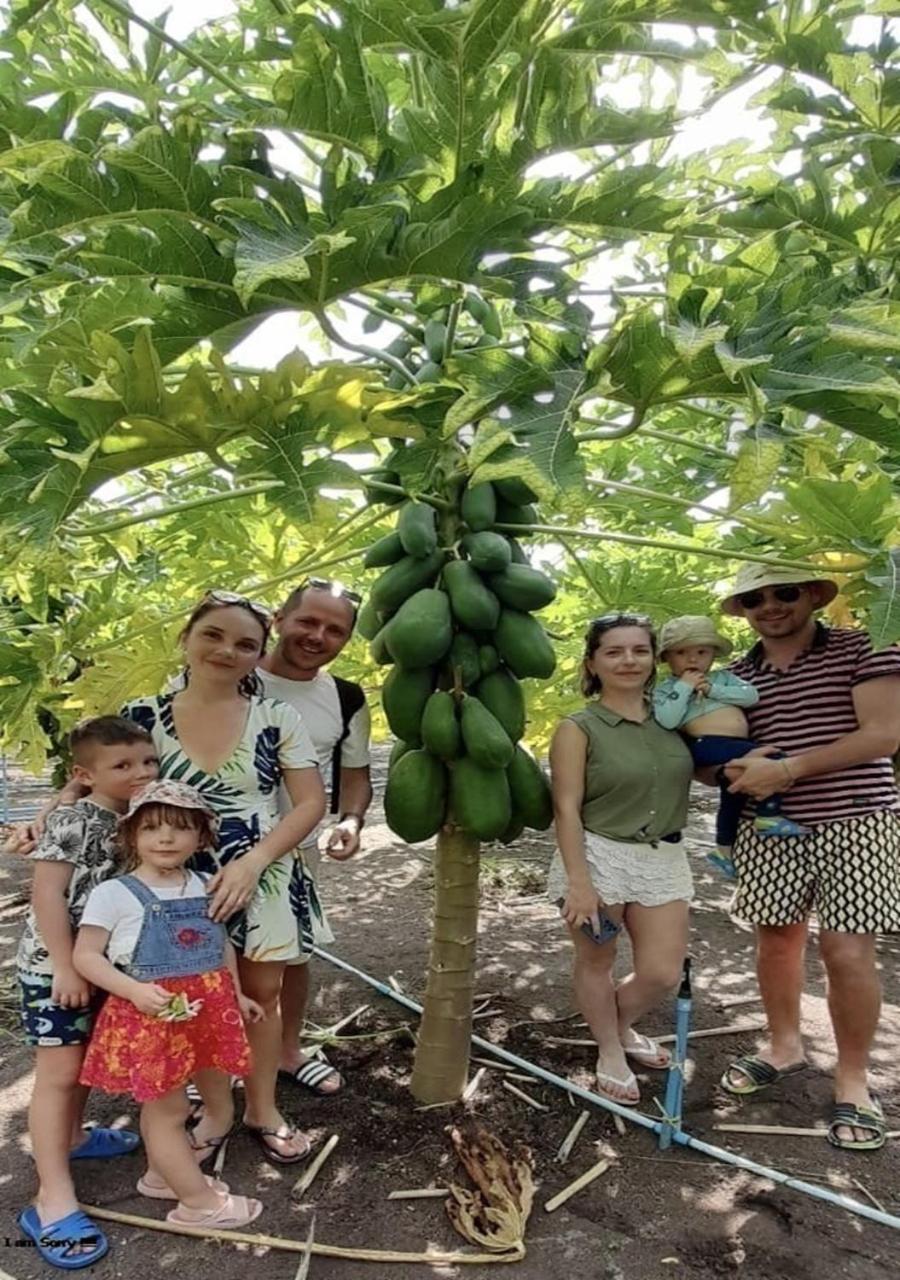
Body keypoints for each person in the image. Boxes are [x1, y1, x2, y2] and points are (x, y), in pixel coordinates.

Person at [120, 591, 326, 1165]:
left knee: (262, 997)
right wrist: (52, 813)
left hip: (260, 871)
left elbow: (311, 802)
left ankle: (263, 1108)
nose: (226, 650)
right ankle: (216, 1110)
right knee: (195, 998)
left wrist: (254, 862)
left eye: (245, 644)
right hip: (171, 881)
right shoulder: (140, 716)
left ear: (259, 655)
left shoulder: (276, 716)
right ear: (186, 638)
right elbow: (103, 783)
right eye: (213, 635)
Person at [715, 564, 900, 1152]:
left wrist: (788, 769)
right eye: (754, 598)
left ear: (814, 595)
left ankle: (854, 1081)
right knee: (776, 940)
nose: (770, 605)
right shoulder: (733, 677)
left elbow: (883, 734)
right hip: (769, 828)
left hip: (858, 820)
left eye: (785, 592)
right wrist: (724, 768)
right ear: (743, 609)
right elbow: (713, 754)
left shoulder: (865, 646)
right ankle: (783, 1046)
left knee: (846, 951)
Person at [75, 780, 263, 1228]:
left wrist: (235, 994)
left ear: (201, 837)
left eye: (180, 828)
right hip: (152, 1017)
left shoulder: (203, 884)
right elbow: (85, 956)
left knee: (179, 1102)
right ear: (131, 835)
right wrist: (133, 991)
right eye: (151, 828)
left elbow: (220, 946)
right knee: (169, 1110)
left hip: (205, 1012)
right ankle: (197, 1203)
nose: (165, 838)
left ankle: (161, 1177)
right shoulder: (114, 893)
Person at [15, 716, 157, 1271]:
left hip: (101, 969)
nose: (141, 772)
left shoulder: (134, 818)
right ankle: (50, 1199)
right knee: (58, 1075)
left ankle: (73, 1137)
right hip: (56, 972)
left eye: (148, 761)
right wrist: (64, 965)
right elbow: (47, 895)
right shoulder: (73, 819)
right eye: (122, 765)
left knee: (82, 1067)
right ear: (85, 773)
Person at [548, 613, 695, 1106]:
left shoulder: (676, 720)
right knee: (598, 960)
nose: (628, 660)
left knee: (662, 972)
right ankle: (610, 1048)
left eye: (639, 650)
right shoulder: (578, 728)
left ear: (654, 659)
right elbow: (565, 808)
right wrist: (579, 882)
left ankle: (620, 1024)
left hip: (662, 858)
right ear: (592, 663)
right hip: (598, 857)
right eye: (614, 651)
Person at [256, 579, 372, 1097]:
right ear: (278, 619)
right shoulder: (228, 675)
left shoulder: (346, 697)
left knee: (293, 954)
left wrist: (351, 820)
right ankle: (208, 1063)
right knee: (205, 957)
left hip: (296, 850)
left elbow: (355, 774)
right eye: (307, 621)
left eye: (334, 630)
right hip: (208, 846)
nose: (318, 636)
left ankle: (287, 1050)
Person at [653, 616, 809, 878]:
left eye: (701, 652)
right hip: (706, 744)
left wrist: (713, 690)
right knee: (772, 757)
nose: (692, 660)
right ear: (667, 657)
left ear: (713, 655)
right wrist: (684, 688)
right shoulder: (667, 689)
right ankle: (768, 814)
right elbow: (667, 719)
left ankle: (723, 849)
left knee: (733, 795)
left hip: (737, 744)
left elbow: (751, 695)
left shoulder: (723, 678)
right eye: (681, 653)